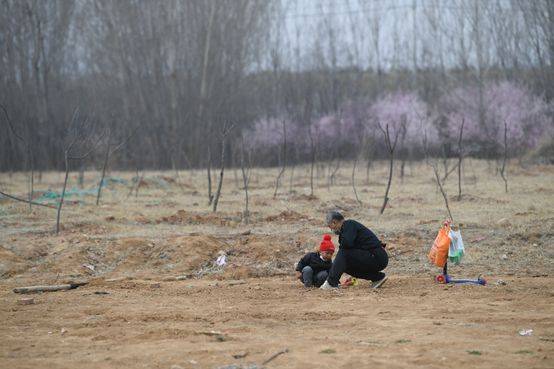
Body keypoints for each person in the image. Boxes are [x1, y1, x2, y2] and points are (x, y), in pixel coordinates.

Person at [320, 211, 388, 290]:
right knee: (346, 265)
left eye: (330, 226)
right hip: (372, 257)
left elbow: (346, 245)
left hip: (377, 256)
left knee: (344, 252)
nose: (331, 229)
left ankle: (331, 283)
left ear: (334, 222)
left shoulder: (349, 224)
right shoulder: (345, 230)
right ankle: (377, 278)